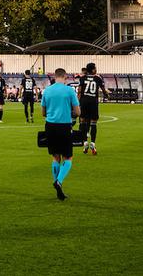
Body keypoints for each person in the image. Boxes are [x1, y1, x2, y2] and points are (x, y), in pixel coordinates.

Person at [41, 68, 80, 201]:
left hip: (50, 126)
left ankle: (59, 187)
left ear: (55, 76)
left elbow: (43, 112)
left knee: (55, 157)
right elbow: (78, 112)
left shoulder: (47, 90)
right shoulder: (69, 90)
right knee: (68, 157)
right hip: (64, 126)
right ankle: (59, 181)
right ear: (64, 77)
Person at [77, 62, 107, 155]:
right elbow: (103, 89)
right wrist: (107, 95)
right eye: (95, 68)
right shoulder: (98, 78)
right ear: (92, 69)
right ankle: (93, 143)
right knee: (93, 123)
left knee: (82, 121)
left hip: (84, 102)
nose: (96, 69)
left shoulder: (82, 78)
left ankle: (85, 142)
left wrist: (77, 103)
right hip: (93, 103)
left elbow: (79, 91)